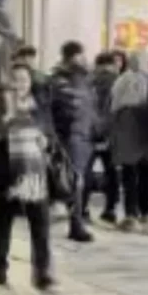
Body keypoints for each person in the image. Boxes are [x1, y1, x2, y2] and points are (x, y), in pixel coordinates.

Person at [0, 63, 55, 290]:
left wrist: (46, 141)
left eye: (24, 80)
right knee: (3, 221)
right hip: (4, 172)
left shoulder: (39, 106)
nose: (21, 84)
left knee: (40, 223)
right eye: (16, 79)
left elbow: (50, 132)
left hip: (34, 175)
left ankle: (42, 271)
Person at [49, 41, 97, 243]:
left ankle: (76, 219)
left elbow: (90, 108)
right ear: (71, 57)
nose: (83, 59)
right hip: (71, 137)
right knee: (74, 181)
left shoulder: (84, 79)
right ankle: (75, 224)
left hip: (84, 136)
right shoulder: (61, 80)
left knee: (78, 181)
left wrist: (97, 129)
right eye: (79, 55)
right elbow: (61, 110)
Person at [110, 51, 148, 231]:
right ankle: (139, 213)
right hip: (136, 129)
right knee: (138, 173)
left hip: (134, 128)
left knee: (136, 173)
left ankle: (136, 214)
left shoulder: (124, 80)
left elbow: (113, 106)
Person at [84, 52, 121, 224]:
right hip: (111, 134)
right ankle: (110, 209)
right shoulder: (118, 82)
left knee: (86, 172)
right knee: (112, 173)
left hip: (88, 133)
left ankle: (82, 208)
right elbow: (117, 111)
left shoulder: (87, 81)